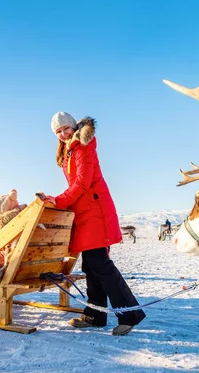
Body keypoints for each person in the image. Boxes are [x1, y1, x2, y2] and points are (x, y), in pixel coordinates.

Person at [42, 112, 146, 336]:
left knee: (100, 264)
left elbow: (82, 183)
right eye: (58, 132)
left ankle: (129, 315)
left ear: (74, 126)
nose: (63, 134)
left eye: (66, 128)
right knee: (91, 266)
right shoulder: (69, 149)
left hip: (96, 212)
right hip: (85, 212)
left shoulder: (82, 147)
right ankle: (95, 316)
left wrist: (59, 200)